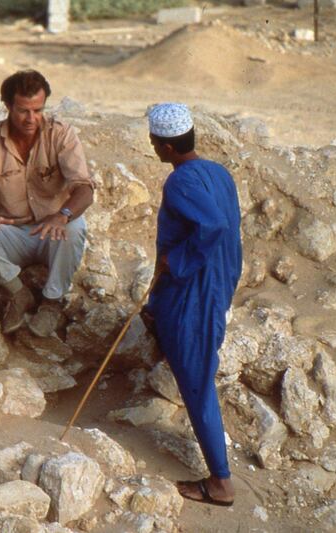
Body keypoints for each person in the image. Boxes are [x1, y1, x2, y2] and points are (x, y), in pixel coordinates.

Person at [141, 103, 242, 507]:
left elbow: (215, 227)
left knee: (199, 385)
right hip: (213, 286)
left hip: (195, 294)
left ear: (165, 146)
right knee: (165, 327)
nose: (152, 147)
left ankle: (221, 483)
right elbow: (229, 232)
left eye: (153, 143)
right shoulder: (219, 173)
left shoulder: (180, 183)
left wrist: (175, 260)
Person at [0, 70, 94, 336]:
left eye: (37, 110)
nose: (31, 119)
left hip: (51, 232)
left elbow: (84, 188)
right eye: (23, 110)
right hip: (10, 233)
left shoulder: (61, 135)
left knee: (75, 226)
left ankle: (51, 303)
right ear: (7, 106)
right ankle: (18, 292)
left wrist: (62, 215)